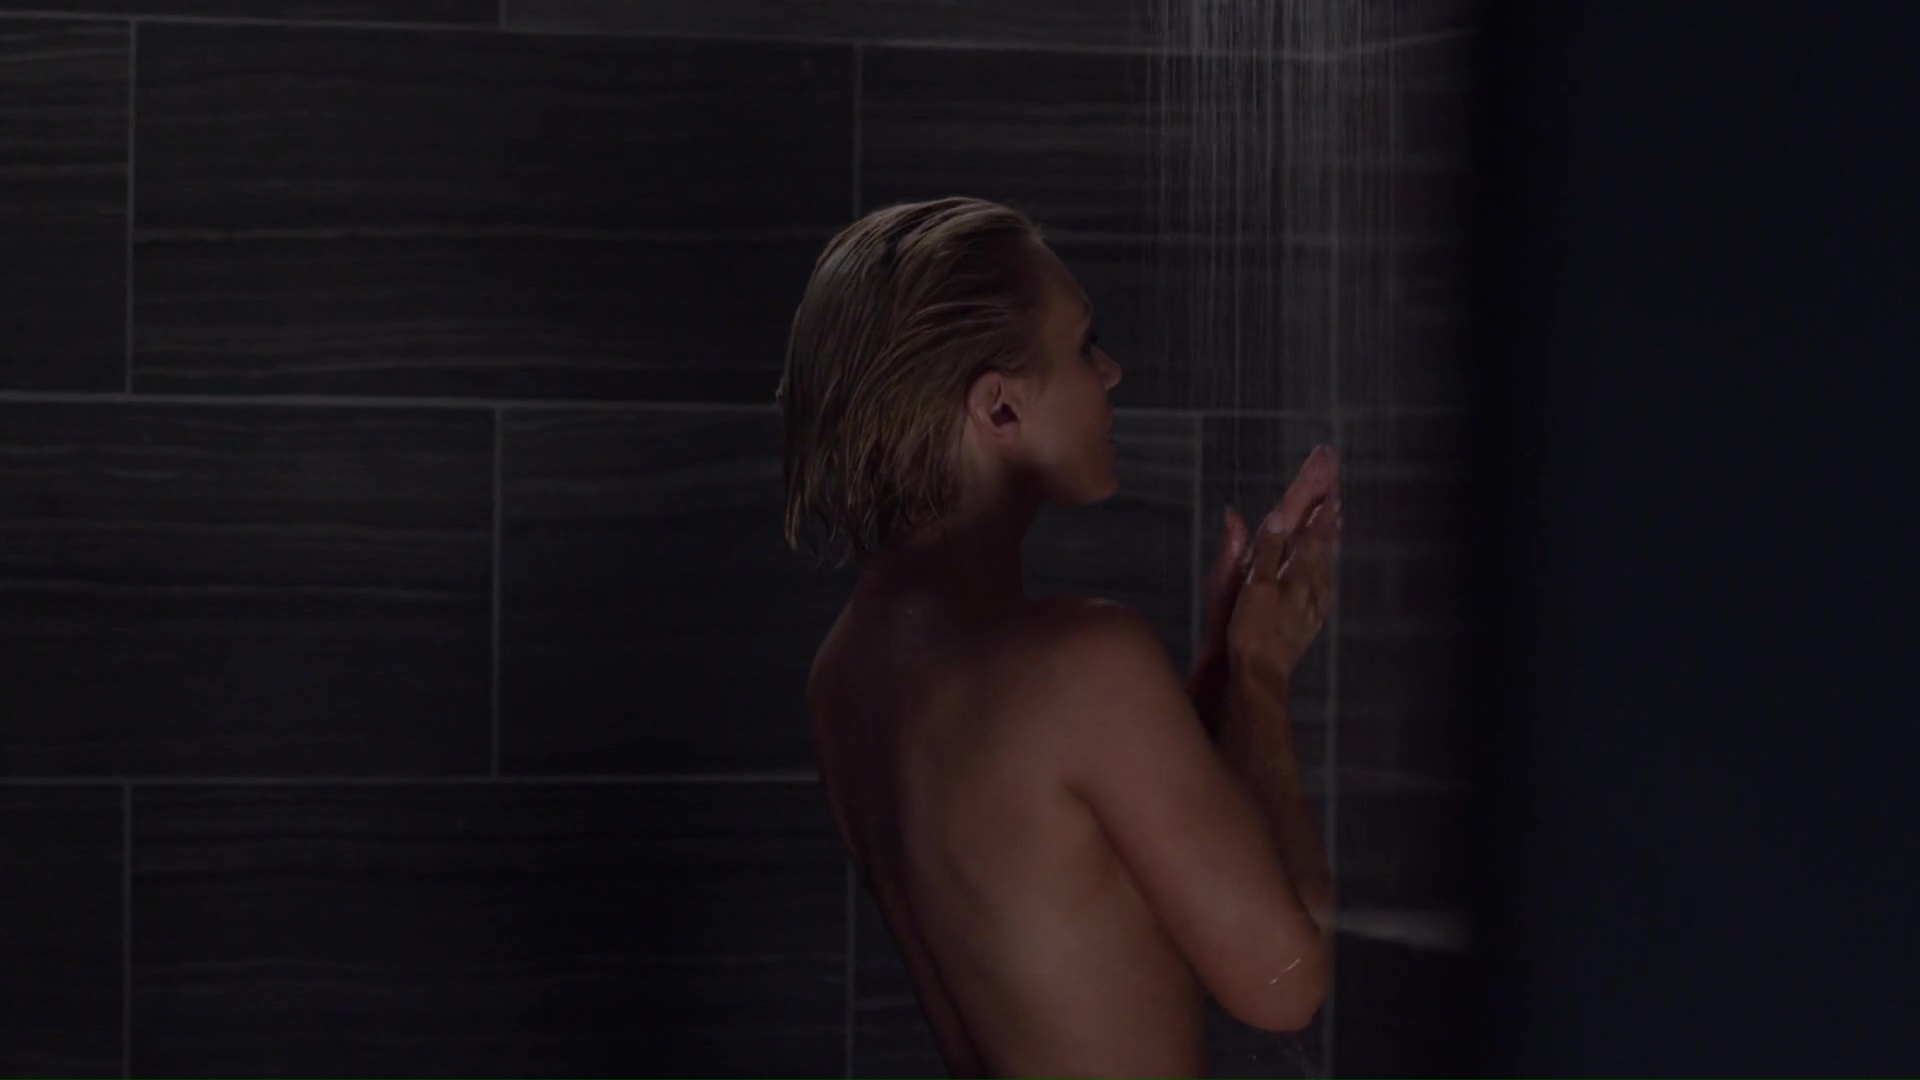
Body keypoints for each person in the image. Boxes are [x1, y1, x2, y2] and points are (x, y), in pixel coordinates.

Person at [777, 196, 1342, 1080]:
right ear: (999, 410)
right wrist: (1263, 674)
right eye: (1084, 345)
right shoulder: (1083, 667)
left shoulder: (844, 673)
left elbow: (1071, 878)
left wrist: (1218, 682)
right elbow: (1286, 985)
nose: (1110, 372)